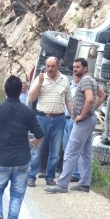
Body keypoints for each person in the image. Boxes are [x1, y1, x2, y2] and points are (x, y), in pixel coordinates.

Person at [0, 76, 44, 219]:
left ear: (5, 91)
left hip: (1, 158)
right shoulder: (27, 111)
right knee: (17, 194)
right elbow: (39, 134)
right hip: (22, 159)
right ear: (20, 91)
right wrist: (33, 141)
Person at [46, 58, 106, 194]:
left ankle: (61, 184)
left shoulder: (85, 80)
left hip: (83, 122)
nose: (75, 69)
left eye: (78, 67)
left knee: (70, 152)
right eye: (73, 67)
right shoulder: (91, 79)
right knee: (85, 154)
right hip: (89, 120)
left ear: (85, 68)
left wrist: (82, 114)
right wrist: (91, 111)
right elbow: (102, 95)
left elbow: (90, 98)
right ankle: (85, 184)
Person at [27, 57, 73, 187]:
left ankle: (50, 177)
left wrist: (74, 115)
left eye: (53, 66)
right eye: (48, 66)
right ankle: (31, 177)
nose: (50, 69)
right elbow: (31, 97)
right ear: (45, 66)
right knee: (37, 149)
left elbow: (68, 100)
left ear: (58, 66)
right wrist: (40, 83)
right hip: (43, 118)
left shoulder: (65, 80)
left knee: (55, 151)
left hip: (59, 119)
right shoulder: (40, 78)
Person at [62, 74, 82, 182]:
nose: (76, 76)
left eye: (78, 75)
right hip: (64, 119)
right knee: (66, 149)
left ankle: (76, 173)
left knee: (74, 148)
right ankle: (68, 172)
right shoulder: (70, 87)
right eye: (74, 74)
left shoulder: (82, 88)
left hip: (73, 120)